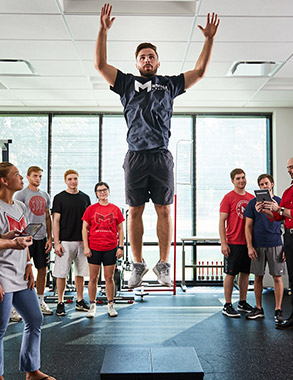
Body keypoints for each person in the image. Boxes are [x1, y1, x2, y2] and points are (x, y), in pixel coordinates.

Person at [94, 3, 220, 288]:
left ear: (158, 62)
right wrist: (103, 30)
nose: (147, 60)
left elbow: (199, 71)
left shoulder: (169, 84)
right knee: (135, 211)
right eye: (142, 57)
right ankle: (138, 264)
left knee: (164, 210)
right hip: (136, 156)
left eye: (151, 56)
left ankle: (164, 263)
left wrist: (209, 39)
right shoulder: (125, 83)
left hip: (161, 155)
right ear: (137, 63)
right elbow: (100, 65)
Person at [0, 162, 55, 380]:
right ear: (4, 181)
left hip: (20, 273)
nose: (21, 178)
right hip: (2, 274)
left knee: (34, 319)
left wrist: (28, 264)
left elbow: (21, 238)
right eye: (17, 175)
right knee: (0, 329)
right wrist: (12, 243)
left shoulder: (20, 207)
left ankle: (32, 371)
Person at [256, 156, 293, 329]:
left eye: (292, 167)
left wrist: (280, 209)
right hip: (289, 237)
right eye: (288, 167)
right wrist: (266, 211)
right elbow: (279, 216)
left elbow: (288, 211)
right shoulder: (290, 191)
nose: (289, 170)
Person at [244, 174, 286, 322]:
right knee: (258, 277)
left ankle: (278, 310)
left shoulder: (280, 202)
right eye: (261, 184)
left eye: (266, 183)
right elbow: (248, 226)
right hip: (258, 245)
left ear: (272, 184)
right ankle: (258, 308)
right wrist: (250, 247)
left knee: (277, 277)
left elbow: (287, 225)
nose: (264, 186)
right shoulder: (253, 203)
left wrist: (286, 247)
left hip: (276, 243)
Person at [82, 182, 124, 318]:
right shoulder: (91, 209)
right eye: (99, 191)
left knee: (109, 278)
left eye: (104, 190)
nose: (102, 193)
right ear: (96, 194)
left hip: (110, 248)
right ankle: (92, 307)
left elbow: (121, 229)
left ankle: (110, 306)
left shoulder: (115, 209)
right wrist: (86, 247)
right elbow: (85, 228)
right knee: (93, 278)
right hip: (94, 248)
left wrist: (121, 247)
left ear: (108, 191)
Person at [14, 166, 53, 316]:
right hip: (26, 238)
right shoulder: (20, 195)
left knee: (42, 269)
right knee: (22, 270)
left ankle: (40, 300)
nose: (38, 179)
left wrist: (50, 238)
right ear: (28, 177)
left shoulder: (45, 195)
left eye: (40, 176)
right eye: (35, 176)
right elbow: (16, 217)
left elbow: (47, 217)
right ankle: (15, 306)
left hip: (41, 238)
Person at [52, 169, 91, 317]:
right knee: (61, 274)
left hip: (82, 241)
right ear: (65, 181)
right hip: (65, 242)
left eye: (75, 179)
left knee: (80, 273)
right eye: (70, 179)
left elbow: (88, 222)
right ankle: (60, 302)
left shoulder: (85, 198)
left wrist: (88, 243)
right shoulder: (59, 198)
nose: (73, 181)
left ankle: (80, 301)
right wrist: (56, 242)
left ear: (78, 180)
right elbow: (56, 221)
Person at [219, 168, 254, 317]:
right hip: (232, 242)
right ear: (232, 181)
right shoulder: (228, 197)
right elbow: (222, 221)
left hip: (248, 243)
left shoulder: (252, 198)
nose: (241, 181)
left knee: (245, 274)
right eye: (238, 178)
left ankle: (242, 302)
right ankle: (227, 305)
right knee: (230, 274)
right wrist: (223, 243)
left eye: (243, 178)